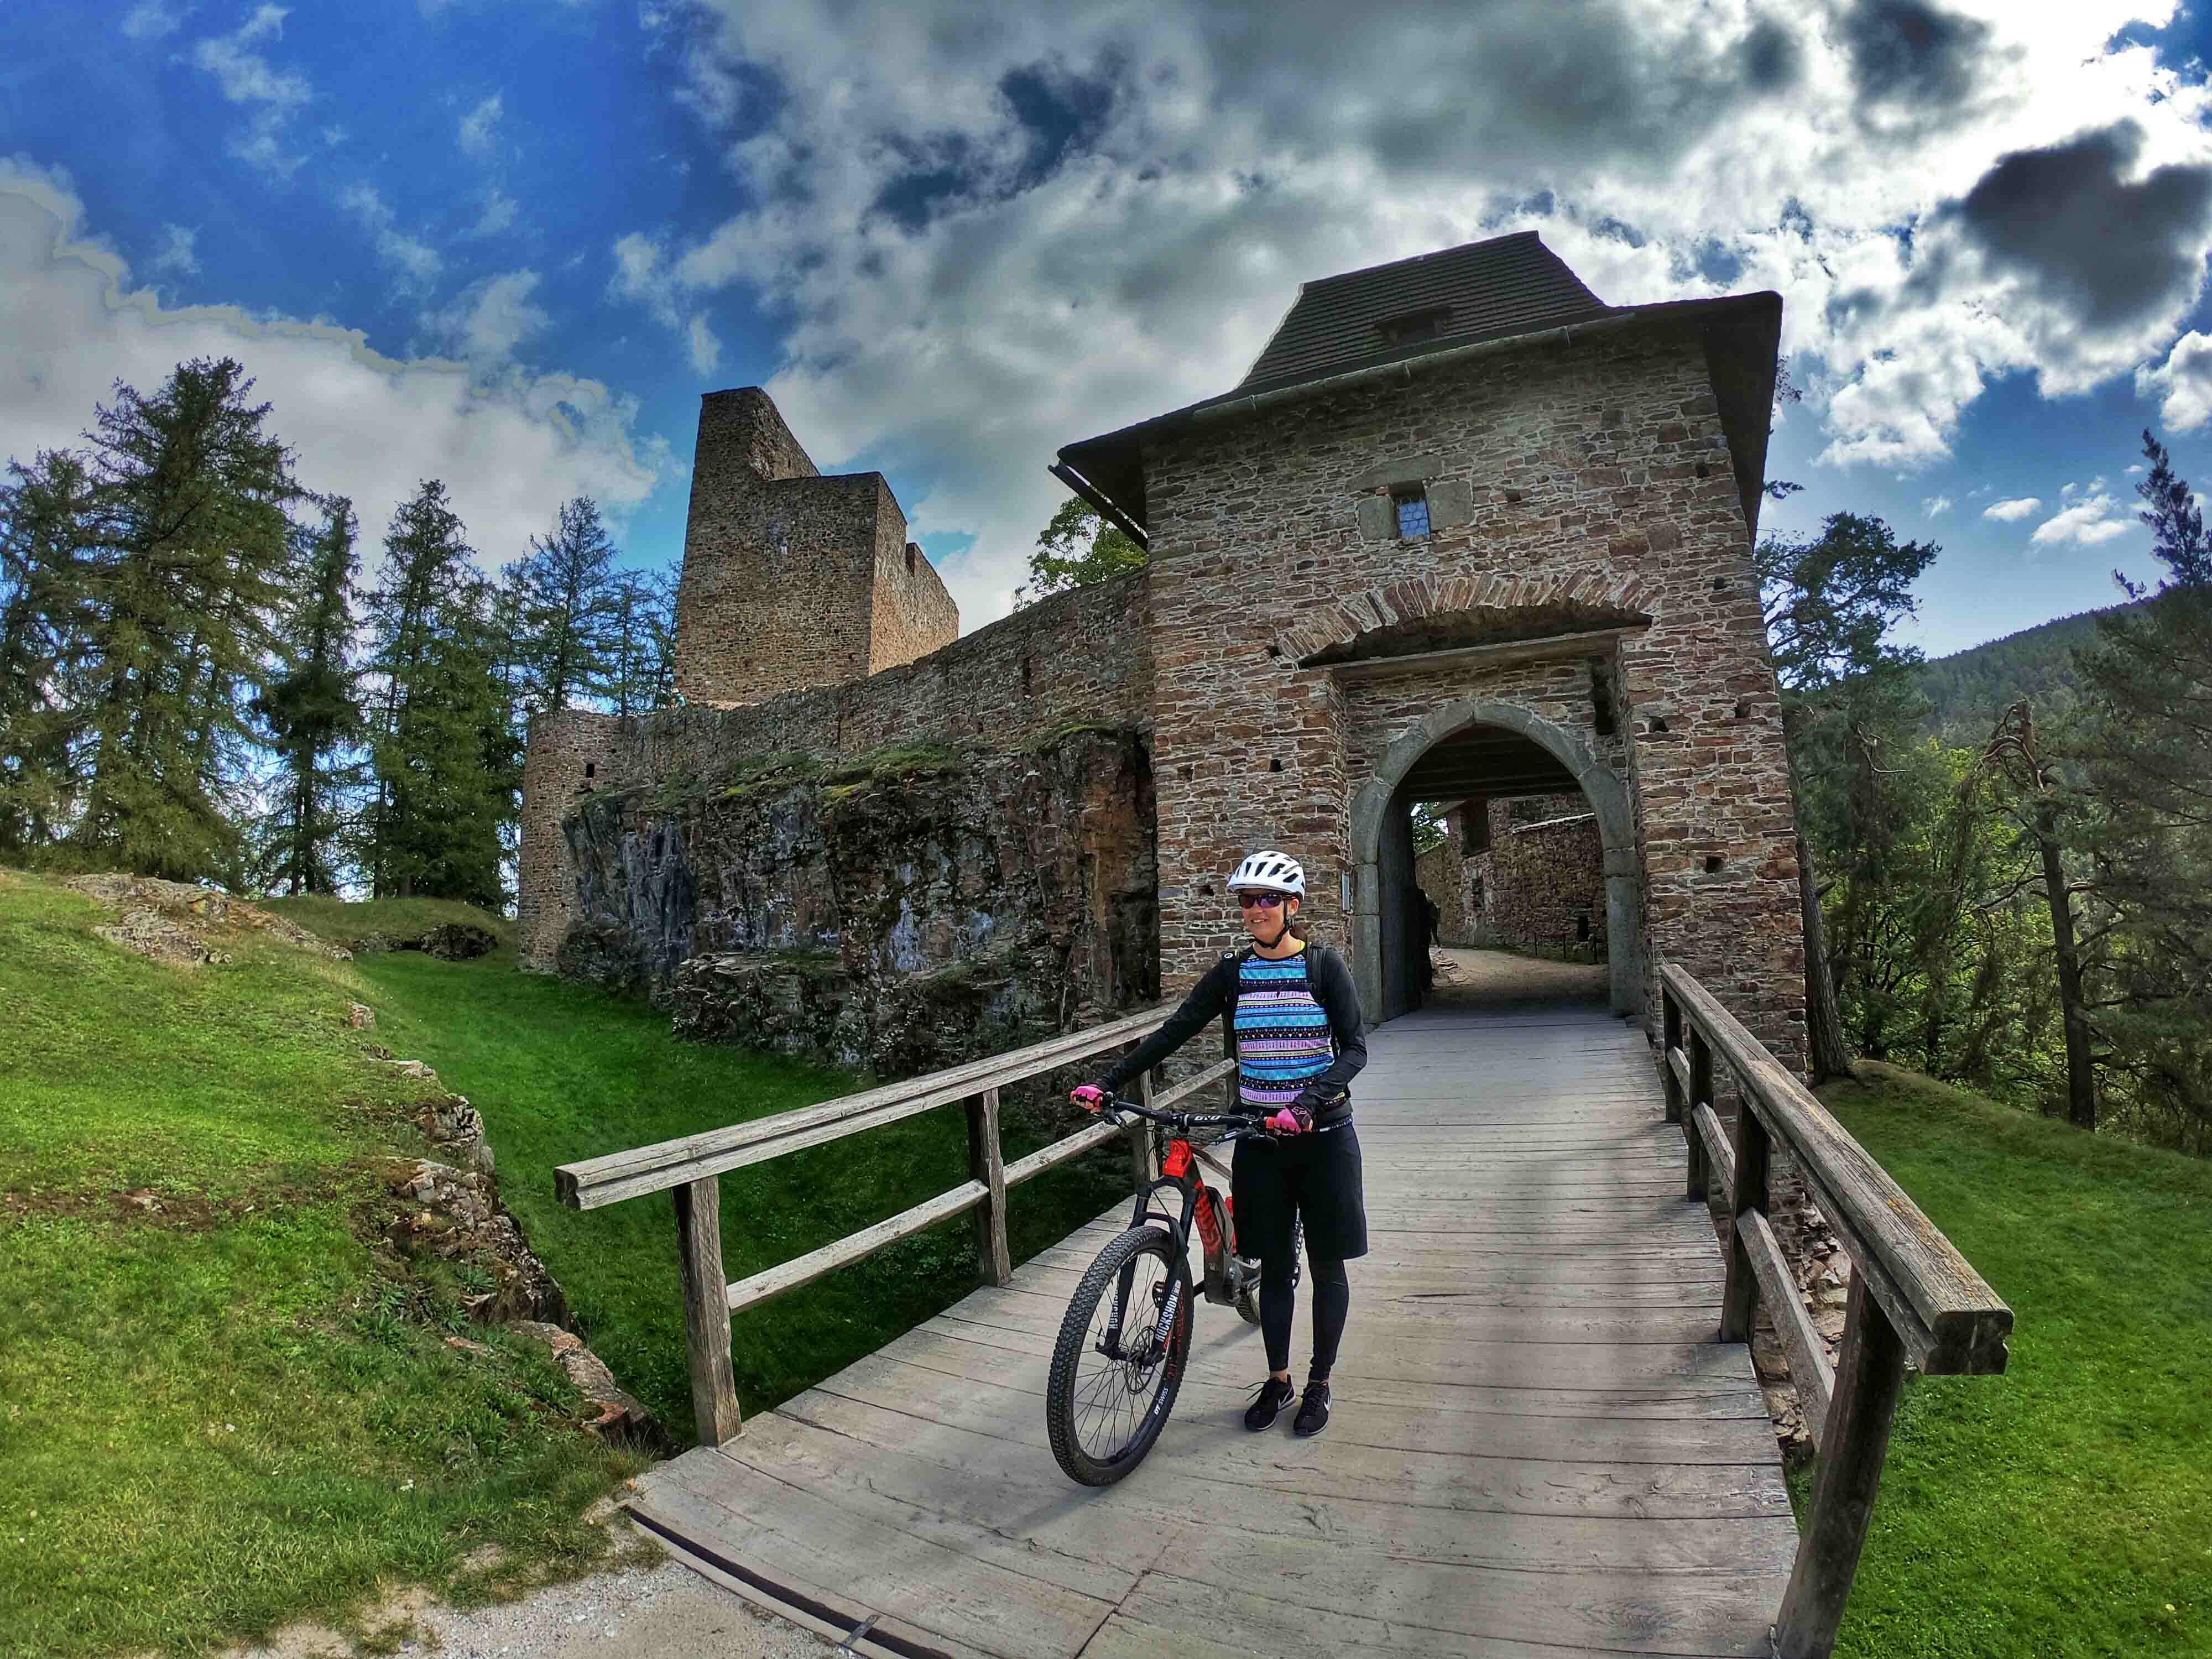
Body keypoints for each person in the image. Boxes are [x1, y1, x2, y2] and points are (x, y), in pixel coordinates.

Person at [1071, 850, 1367, 1438]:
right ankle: (1279, 1379)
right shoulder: (1232, 973)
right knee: (1275, 1266)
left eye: (1267, 899)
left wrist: (1306, 1105)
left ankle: (1319, 1383)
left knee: (1326, 1264)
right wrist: (1108, 1082)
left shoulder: (1324, 967)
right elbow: (1176, 1029)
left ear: (1292, 906)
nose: (1255, 910)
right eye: (1247, 901)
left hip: (1324, 1138)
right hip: (1257, 1139)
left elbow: (1355, 1048)